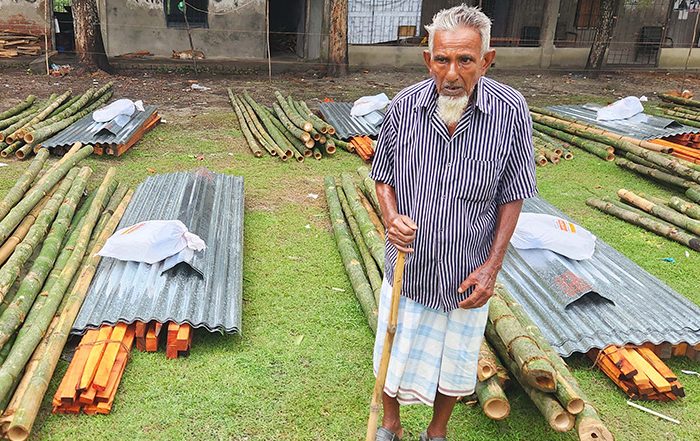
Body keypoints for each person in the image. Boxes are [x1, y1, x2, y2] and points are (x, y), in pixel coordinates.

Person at [369, 5, 538, 441]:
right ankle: (391, 424)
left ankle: (437, 431)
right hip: (409, 265)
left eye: (465, 60)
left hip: (468, 271)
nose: (452, 73)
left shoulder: (511, 110)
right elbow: (381, 176)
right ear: (428, 60)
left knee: (456, 355)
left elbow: (514, 192)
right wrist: (390, 217)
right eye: (442, 59)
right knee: (394, 347)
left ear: (487, 60)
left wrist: (492, 267)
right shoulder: (404, 107)